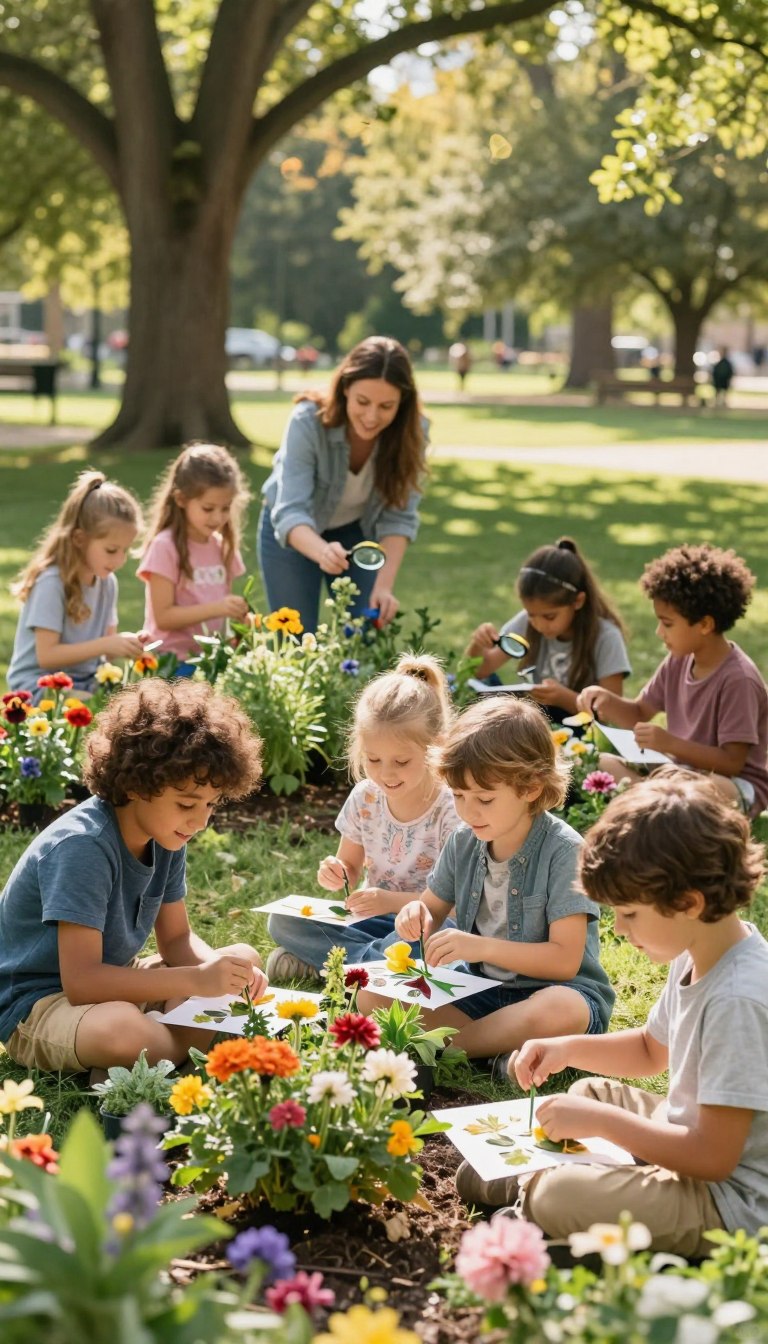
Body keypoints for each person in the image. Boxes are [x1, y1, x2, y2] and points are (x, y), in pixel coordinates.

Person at [492, 772, 768, 1257]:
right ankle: (539, 1189)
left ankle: (536, 1198)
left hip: (731, 1204)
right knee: (587, 1090)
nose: (618, 928)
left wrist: (603, 1123)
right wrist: (564, 1049)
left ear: (687, 902)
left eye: (630, 913)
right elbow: (648, 1050)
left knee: (561, 1191)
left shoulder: (738, 999)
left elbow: (714, 1158)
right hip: (691, 1144)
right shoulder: (700, 948)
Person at [0, 679, 266, 1073]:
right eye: (187, 803)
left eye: (211, 804)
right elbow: (82, 983)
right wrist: (197, 982)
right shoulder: (83, 846)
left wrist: (220, 976)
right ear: (140, 786)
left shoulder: (168, 834)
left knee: (241, 960)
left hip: (117, 982)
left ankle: (143, 1060)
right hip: (41, 1003)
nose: (200, 820)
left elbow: (176, 939)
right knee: (125, 1032)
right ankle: (163, 1053)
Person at [356, 696, 614, 1064]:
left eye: (485, 799)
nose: (468, 810)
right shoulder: (465, 840)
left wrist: (478, 947)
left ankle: (454, 1048)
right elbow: (429, 909)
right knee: (372, 996)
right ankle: (494, 1051)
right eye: (459, 796)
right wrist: (414, 916)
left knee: (559, 1010)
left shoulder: (564, 850)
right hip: (481, 992)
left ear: (531, 788)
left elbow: (564, 962)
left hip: (556, 993)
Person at [266, 652, 460, 982]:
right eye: (373, 759)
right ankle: (369, 966)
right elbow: (350, 868)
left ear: (436, 747)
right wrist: (336, 871)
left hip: (427, 922)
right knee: (282, 921)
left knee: (427, 940)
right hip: (371, 920)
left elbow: (455, 906)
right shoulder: (366, 797)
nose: (386, 773)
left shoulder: (450, 807)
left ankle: (337, 966)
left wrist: (389, 901)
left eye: (401, 762)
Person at [578, 543, 768, 817]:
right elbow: (639, 712)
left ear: (704, 625)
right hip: (678, 773)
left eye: (667, 624)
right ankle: (659, 802)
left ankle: (652, 802)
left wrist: (669, 744)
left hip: (732, 785)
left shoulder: (738, 679)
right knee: (602, 762)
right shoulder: (679, 660)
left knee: (704, 789)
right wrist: (605, 700)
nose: (659, 632)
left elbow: (732, 762)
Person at [258, 336, 427, 634]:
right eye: (363, 402)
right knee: (295, 641)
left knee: (363, 635)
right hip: (292, 534)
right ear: (345, 388)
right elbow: (290, 511)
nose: (372, 417)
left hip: (356, 533)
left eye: (386, 406)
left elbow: (399, 517)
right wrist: (323, 551)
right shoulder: (307, 421)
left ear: (403, 402)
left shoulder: (414, 432)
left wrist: (384, 586)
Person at [7, 470, 147, 700]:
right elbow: (47, 656)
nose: (120, 560)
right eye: (111, 550)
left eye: (125, 550)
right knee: (105, 713)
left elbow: (107, 651)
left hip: (86, 683)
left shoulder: (107, 582)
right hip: (39, 687)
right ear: (79, 539)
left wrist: (127, 644)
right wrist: (106, 644)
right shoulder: (51, 583)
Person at [466, 538, 630, 720]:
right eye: (530, 614)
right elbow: (481, 671)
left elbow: (612, 712)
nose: (539, 625)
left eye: (550, 617)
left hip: (580, 729)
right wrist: (477, 645)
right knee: (473, 686)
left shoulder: (606, 637)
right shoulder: (528, 622)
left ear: (578, 601)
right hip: (537, 720)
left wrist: (563, 698)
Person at [138, 443, 250, 672]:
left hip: (212, 659)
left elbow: (221, 611)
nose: (218, 517)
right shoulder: (165, 547)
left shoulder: (221, 546)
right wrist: (219, 608)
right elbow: (164, 617)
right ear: (181, 500)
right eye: (208, 508)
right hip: (171, 662)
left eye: (225, 508)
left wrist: (241, 621)